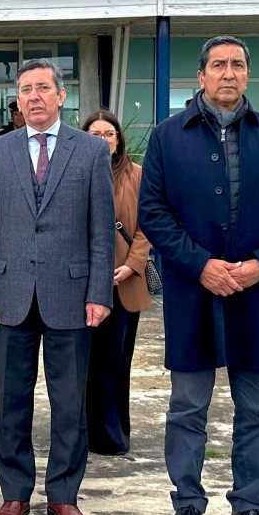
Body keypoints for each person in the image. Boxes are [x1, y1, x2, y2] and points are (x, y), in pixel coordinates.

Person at [139, 35, 259, 515]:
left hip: (255, 293)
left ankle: (250, 504)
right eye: (218, 65)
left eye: (237, 64)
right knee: (187, 407)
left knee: (256, 409)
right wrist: (200, 265)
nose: (228, 73)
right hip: (194, 294)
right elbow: (154, 213)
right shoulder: (168, 137)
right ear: (201, 76)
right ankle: (187, 505)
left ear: (247, 74)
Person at [0, 59, 115, 515]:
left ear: (61, 95)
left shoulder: (90, 150)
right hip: (11, 294)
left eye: (42, 88)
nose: (34, 96)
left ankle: (63, 495)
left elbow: (101, 230)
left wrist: (99, 292)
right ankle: (14, 494)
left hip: (72, 295)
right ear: (18, 99)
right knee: (12, 401)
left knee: (69, 402)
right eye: (25, 89)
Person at [81, 109, 152, 455]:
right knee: (86, 363)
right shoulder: (74, 173)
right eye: (95, 134)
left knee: (116, 361)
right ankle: (84, 432)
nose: (103, 140)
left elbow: (148, 225)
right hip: (83, 284)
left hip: (125, 282)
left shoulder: (137, 174)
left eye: (108, 134)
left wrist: (132, 265)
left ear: (119, 139)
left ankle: (113, 434)